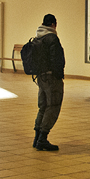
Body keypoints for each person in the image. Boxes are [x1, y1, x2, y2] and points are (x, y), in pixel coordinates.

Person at [32, 14, 66, 152]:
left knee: (43, 106)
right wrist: (59, 76)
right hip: (52, 78)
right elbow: (57, 59)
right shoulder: (52, 38)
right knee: (53, 106)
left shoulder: (38, 37)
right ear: (53, 24)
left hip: (41, 77)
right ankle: (42, 139)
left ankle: (36, 138)